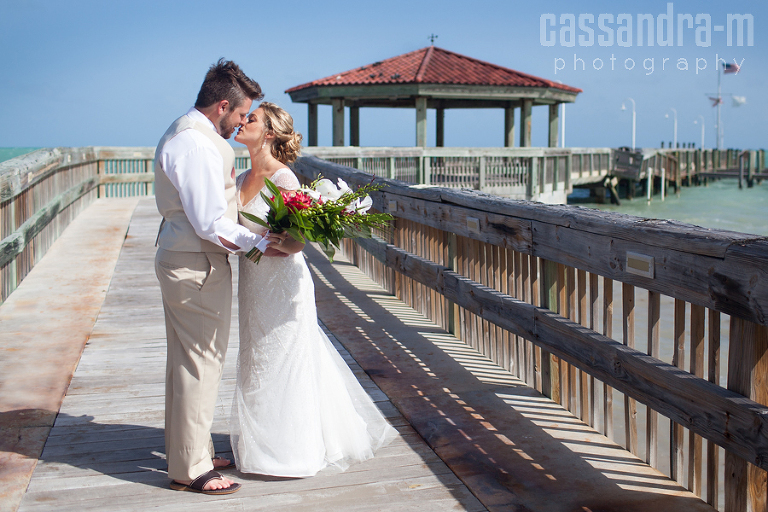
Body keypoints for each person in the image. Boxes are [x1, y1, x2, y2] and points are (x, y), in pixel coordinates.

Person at [230, 102, 397, 477]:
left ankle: (292, 450)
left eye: (250, 119)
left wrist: (274, 243)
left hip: (282, 282)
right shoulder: (240, 179)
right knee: (257, 358)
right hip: (252, 282)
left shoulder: (285, 179)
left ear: (269, 133)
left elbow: (297, 244)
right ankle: (262, 442)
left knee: (284, 357)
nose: (242, 122)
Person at [154, 59, 282, 495]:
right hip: (196, 263)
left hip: (185, 258)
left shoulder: (185, 132)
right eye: (241, 114)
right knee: (200, 363)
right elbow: (211, 221)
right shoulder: (199, 145)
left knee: (186, 362)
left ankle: (191, 449)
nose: (242, 122)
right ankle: (191, 469)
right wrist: (263, 244)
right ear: (222, 105)